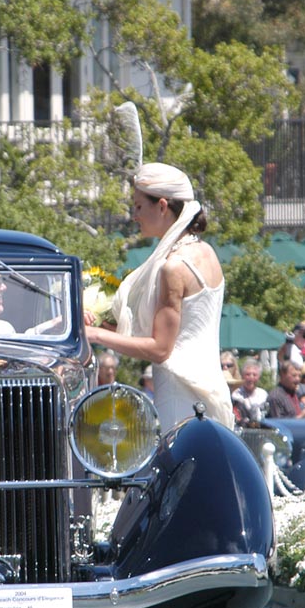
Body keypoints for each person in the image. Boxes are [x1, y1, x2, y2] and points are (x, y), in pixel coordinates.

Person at [85, 162, 233, 428]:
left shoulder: (173, 267)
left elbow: (161, 348)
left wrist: (95, 334)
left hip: (180, 398)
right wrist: (101, 321)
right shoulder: (208, 253)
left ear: (162, 206)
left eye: (139, 206)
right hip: (213, 392)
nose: (134, 215)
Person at [232, 359, 268, 428]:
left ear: (259, 377)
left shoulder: (263, 394)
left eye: (254, 375)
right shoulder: (236, 395)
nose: (251, 378)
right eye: (248, 374)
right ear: (242, 376)